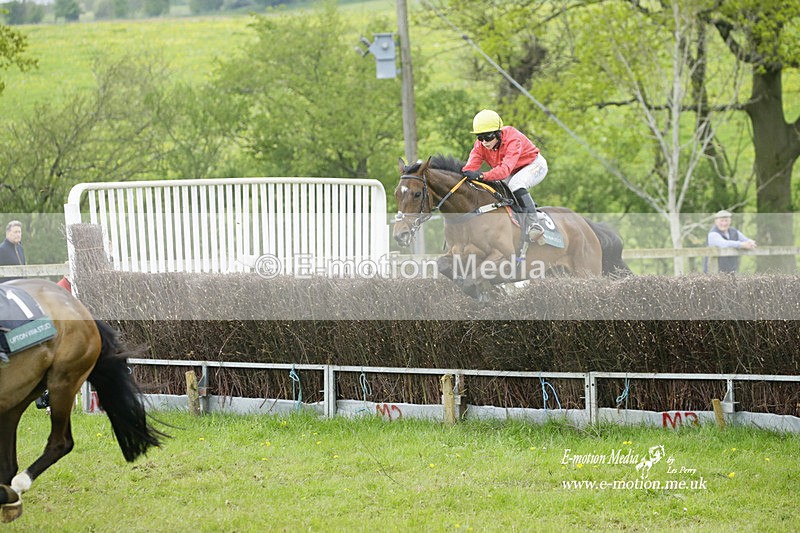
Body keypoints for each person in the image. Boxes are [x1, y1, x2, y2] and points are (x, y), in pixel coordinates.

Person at [461, 109, 548, 241]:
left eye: (488, 137)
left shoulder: (513, 139)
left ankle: (534, 224)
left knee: (516, 184)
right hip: (513, 171)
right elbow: (470, 168)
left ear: (498, 133)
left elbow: (504, 171)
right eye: (480, 137)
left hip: (534, 165)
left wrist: (481, 176)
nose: (484, 142)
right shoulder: (480, 146)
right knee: (497, 189)